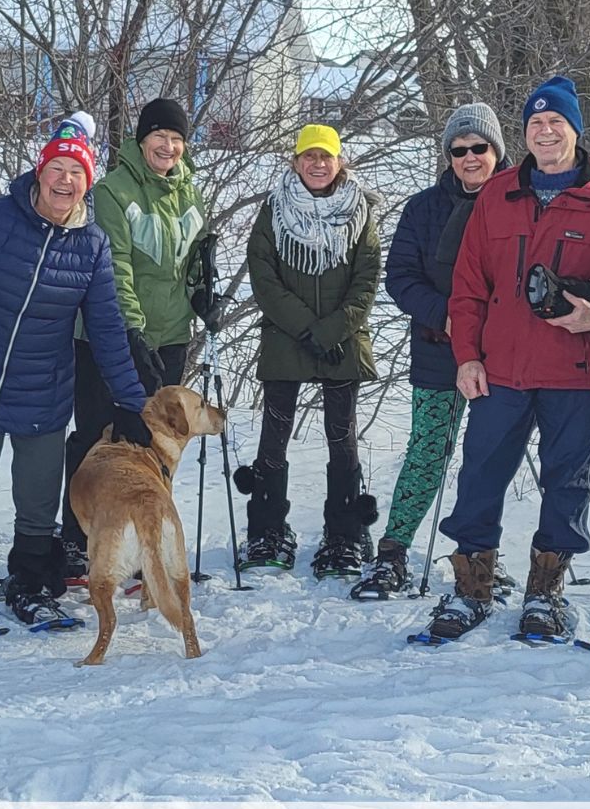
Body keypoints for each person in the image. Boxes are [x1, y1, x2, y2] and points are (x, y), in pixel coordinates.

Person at [0, 118, 149, 631]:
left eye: (75, 172)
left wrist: (131, 401)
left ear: (87, 182)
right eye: (55, 168)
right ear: (39, 174)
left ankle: (32, 586)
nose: (64, 180)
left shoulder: (93, 246)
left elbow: (107, 330)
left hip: (44, 394)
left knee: (37, 508)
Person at [423, 75, 590, 642]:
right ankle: (471, 587)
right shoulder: (497, 194)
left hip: (573, 369)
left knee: (568, 481)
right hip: (501, 369)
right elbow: (468, 285)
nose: (545, 132)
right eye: (536, 124)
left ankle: (545, 594)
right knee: (479, 476)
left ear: (575, 129)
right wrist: (467, 356)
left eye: (556, 122)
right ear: (525, 134)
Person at [353, 103, 508, 599]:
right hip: (439, 349)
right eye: (458, 150)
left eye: (479, 148)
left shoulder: (519, 201)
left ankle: (477, 556)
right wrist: (446, 315)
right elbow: (399, 277)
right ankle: (393, 552)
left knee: (488, 459)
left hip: (502, 354)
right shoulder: (423, 208)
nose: (469, 157)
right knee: (427, 453)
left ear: (496, 150)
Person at [60, 97, 210, 577]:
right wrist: (131, 330)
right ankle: (74, 537)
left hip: (169, 336)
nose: (168, 146)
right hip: (110, 334)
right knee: (99, 435)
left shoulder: (189, 192)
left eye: (176, 139)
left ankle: (144, 541)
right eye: (159, 136)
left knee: (154, 443)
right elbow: (115, 265)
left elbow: (194, 258)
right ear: (141, 140)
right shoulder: (113, 190)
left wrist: (204, 292)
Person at [236, 123, 382, 578]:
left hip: (343, 340)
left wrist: (335, 330)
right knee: (274, 438)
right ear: (295, 161)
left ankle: (344, 533)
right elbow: (263, 274)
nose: (317, 164)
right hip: (286, 336)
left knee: (342, 439)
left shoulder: (360, 210)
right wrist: (306, 329)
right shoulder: (274, 210)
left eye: (326, 156)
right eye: (308, 156)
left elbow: (367, 278)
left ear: (340, 161)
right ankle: (267, 529)